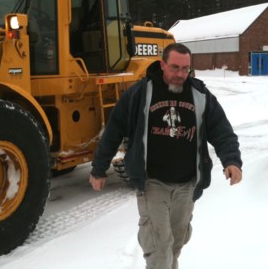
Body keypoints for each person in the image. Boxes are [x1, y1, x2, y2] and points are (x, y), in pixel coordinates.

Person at [89, 43, 242, 269]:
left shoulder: (199, 94)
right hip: (152, 182)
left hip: (187, 184)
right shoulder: (141, 93)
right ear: (162, 64)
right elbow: (114, 130)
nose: (180, 74)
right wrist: (99, 169)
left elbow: (221, 129)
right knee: (159, 247)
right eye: (174, 68)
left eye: (185, 69)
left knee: (175, 245)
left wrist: (231, 160)